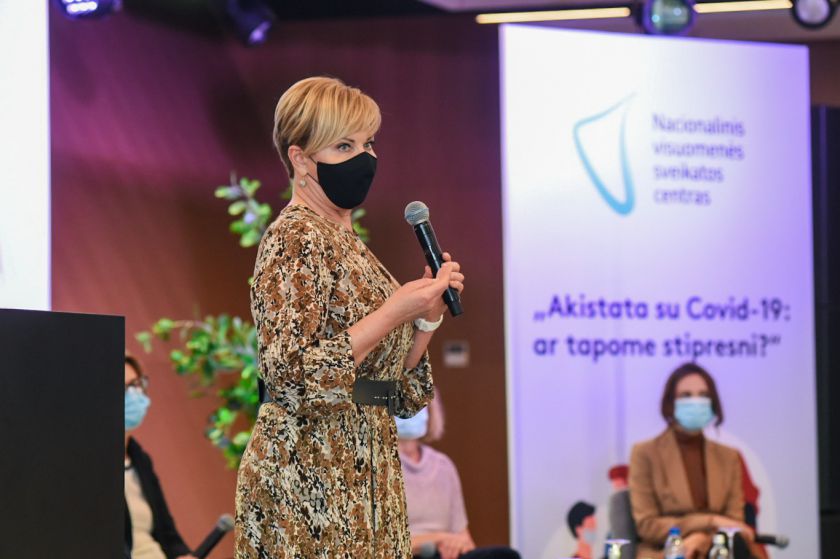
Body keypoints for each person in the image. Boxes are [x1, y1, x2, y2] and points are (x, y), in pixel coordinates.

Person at [235, 76, 466, 559]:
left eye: (368, 143)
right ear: (301, 159)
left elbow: (396, 393)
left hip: (369, 471)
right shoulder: (295, 238)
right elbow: (291, 376)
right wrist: (392, 311)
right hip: (308, 477)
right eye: (344, 146)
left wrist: (425, 319)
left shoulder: (349, 244)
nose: (365, 158)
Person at [629, 363, 762, 559]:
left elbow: (733, 524)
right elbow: (647, 526)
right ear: (670, 403)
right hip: (666, 552)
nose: (696, 402)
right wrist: (709, 521)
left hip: (720, 550)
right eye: (686, 395)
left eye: (703, 395)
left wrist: (703, 539)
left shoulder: (729, 457)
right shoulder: (645, 453)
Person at [396, 390, 520, 559]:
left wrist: (457, 545)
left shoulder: (443, 466)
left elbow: (463, 537)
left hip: (445, 555)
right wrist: (438, 539)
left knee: (505, 556)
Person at [124, 354, 195, 559]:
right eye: (124, 389)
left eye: (136, 384)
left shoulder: (140, 459)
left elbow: (168, 534)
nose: (134, 394)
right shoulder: (85, 469)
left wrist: (183, 555)